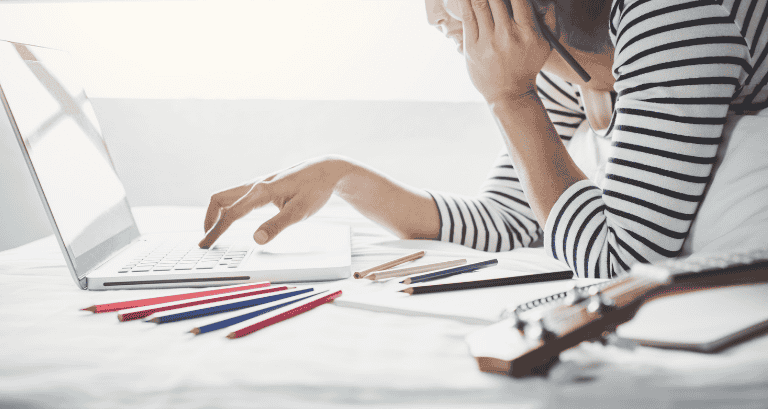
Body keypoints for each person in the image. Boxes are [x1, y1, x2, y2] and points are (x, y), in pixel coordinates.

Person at [199, 0, 768, 278]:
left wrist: (510, 98)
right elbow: (515, 219)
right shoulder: (573, 56)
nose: (430, 15)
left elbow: (618, 260)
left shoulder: (674, 16)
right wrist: (343, 177)